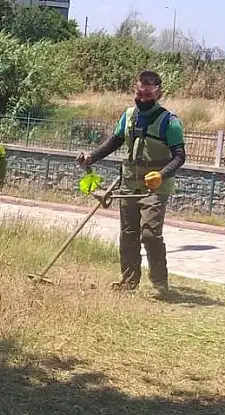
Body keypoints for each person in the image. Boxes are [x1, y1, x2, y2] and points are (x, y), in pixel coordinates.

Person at [77, 70, 186, 293]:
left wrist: (162, 175)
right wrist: (92, 157)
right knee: (128, 235)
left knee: (149, 234)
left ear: (158, 94)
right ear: (134, 91)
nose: (143, 98)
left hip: (155, 187)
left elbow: (179, 156)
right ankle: (129, 282)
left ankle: (159, 282)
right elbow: (114, 142)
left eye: (148, 94)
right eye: (139, 93)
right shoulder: (128, 116)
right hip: (128, 185)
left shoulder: (170, 122)